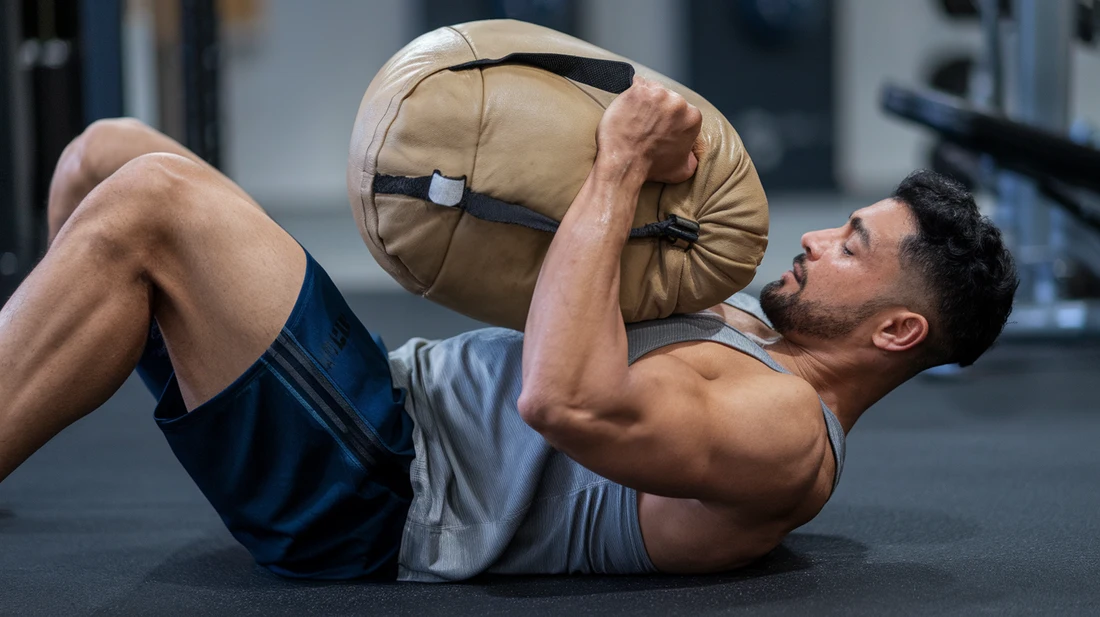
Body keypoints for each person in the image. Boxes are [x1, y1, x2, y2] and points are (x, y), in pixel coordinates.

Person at [0, 77, 1018, 582]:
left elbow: (562, 397)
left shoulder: (783, 434)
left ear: (893, 329)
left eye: (848, 242)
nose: (811, 237)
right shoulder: (751, 333)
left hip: (372, 491)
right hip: (378, 405)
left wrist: (617, 165)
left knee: (151, 200)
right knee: (105, 154)